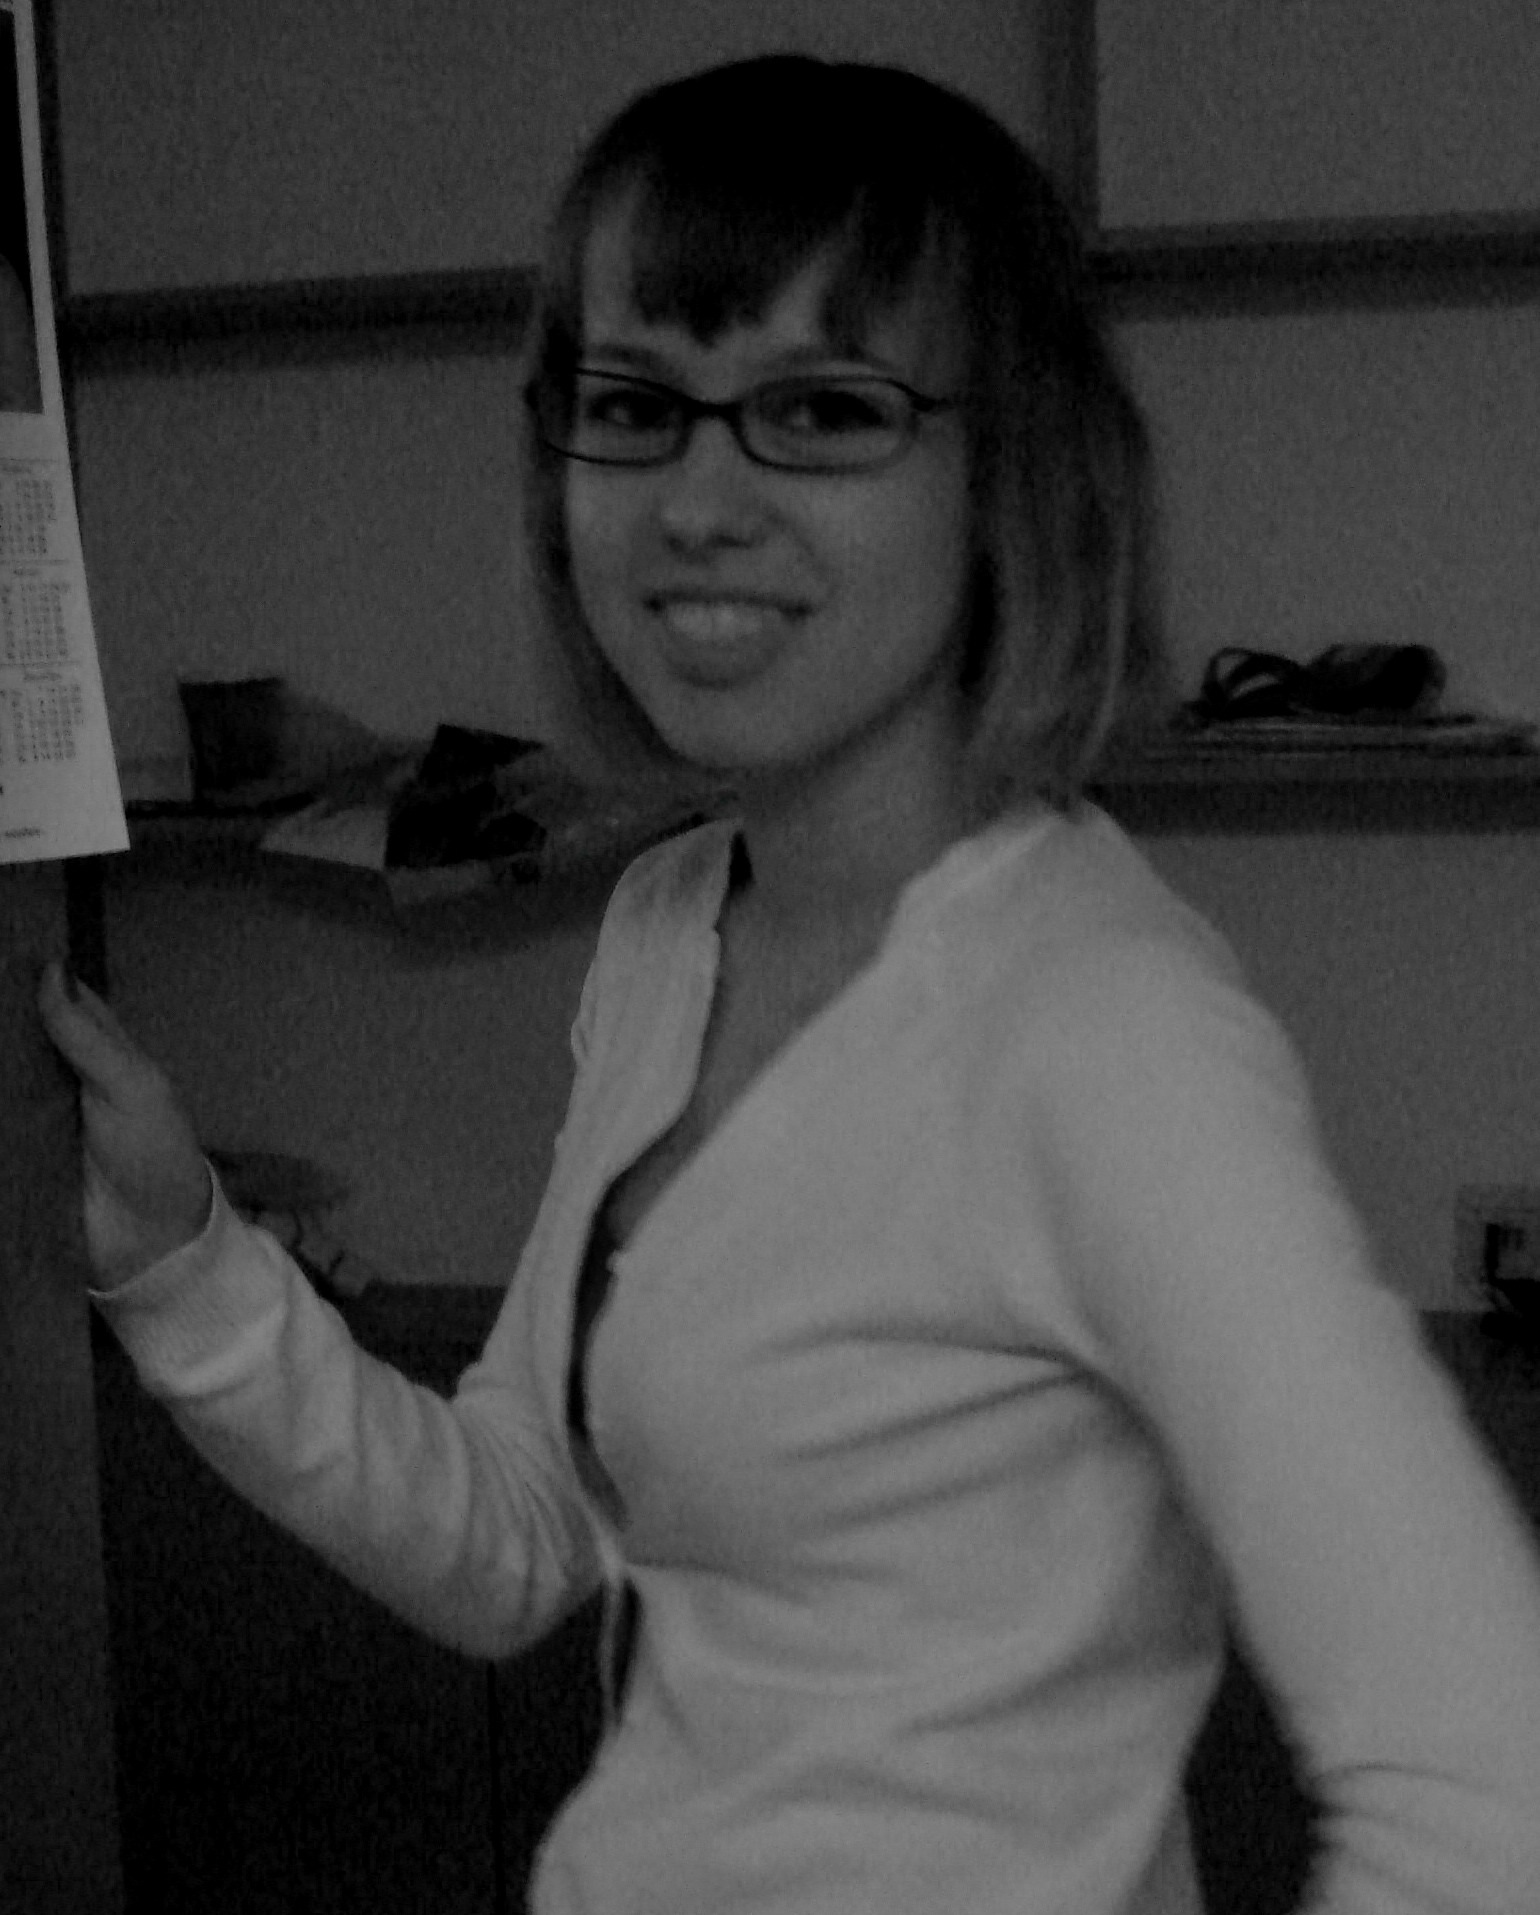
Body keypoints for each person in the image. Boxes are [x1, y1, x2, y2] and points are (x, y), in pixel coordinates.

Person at [38, 54, 1540, 1915]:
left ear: (1011, 474)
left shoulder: (1101, 1026)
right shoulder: (672, 925)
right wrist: (183, 1260)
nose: (698, 501)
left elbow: (1493, 1788)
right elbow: (519, 1540)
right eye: (633, 406)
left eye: (823, 409)